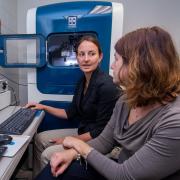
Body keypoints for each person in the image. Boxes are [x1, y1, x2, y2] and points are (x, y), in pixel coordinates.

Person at [36, 26, 180, 180]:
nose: (112, 65)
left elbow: (123, 175)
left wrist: (77, 145)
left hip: (122, 173)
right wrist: (71, 153)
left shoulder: (174, 121)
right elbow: (104, 141)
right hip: (119, 164)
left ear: (139, 65)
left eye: (117, 59)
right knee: (53, 172)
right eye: (81, 54)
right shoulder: (126, 101)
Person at [26, 35, 120, 176]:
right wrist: (44, 107)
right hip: (83, 132)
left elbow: (100, 131)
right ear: (77, 57)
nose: (86, 59)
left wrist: (70, 140)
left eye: (91, 54)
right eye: (81, 54)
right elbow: (70, 112)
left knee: (48, 154)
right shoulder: (82, 82)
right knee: (39, 138)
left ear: (100, 57)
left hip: (96, 140)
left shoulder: (107, 86)